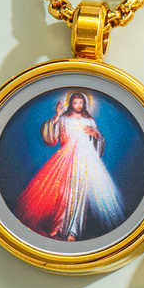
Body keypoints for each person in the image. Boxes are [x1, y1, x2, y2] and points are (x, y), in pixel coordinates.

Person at [15, 92, 124, 240]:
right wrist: (57, 116)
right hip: (66, 158)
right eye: (75, 102)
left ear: (85, 104)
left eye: (81, 103)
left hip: (85, 160)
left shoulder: (90, 120)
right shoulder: (64, 119)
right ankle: (58, 226)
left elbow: (98, 140)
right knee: (64, 194)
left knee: (79, 194)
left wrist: (96, 135)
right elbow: (51, 138)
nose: (78, 105)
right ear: (71, 103)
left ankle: (73, 232)